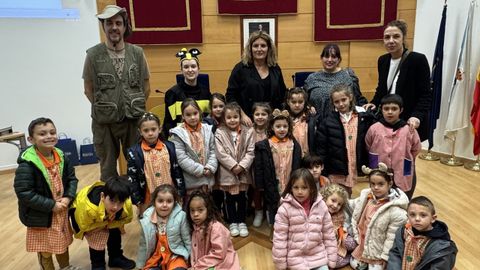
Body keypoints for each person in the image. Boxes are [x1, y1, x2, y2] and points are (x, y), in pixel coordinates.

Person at [83, 5, 151, 181]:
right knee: (107, 168)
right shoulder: (93, 55)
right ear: (103, 26)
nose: (114, 27)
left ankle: (139, 204)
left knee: (137, 165)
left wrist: (131, 104)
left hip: (133, 119)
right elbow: (88, 89)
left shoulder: (137, 53)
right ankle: (111, 206)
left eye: (118, 23)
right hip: (104, 123)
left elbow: (146, 87)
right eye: (109, 23)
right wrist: (106, 106)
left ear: (124, 26)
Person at [13, 117, 80, 270]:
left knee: (62, 243)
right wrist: (51, 205)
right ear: (31, 139)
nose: (49, 136)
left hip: (61, 211)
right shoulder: (27, 164)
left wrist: (68, 197)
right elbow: (24, 192)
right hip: (41, 216)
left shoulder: (61, 156)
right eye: (42, 134)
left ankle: (65, 267)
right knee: (46, 250)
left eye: (52, 132)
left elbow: (71, 179)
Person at [364, 20, 432, 141]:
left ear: (403, 38)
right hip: (388, 118)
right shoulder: (383, 60)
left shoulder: (418, 59)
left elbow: (425, 94)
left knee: (405, 158)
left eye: (396, 36)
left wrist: (417, 116)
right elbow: (382, 88)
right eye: (387, 37)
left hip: (408, 119)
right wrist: (374, 102)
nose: (391, 41)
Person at [314, 84, 374, 196]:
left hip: (352, 165)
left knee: (347, 193)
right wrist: (323, 170)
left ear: (350, 97)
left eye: (344, 100)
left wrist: (371, 109)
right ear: (333, 103)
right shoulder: (327, 121)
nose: (341, 104)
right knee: (335, 195)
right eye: (337, 102)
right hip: (335, 168)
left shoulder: (362, 117)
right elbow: (321, 149)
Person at [272, 168, 337, 270]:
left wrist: (332, 259)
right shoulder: (284, 209)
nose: (300, 192)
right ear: (291, 188)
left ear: (311, 188)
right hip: (295, 258)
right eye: (296, 187)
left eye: (304, 187)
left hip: (317, 255)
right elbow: (280, 238)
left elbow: (329, 234)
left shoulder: (321, 206)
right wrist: (281, 264)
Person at [350, 163, 408, 270]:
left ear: (389, 184)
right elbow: (354, 205)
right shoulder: (367, 197)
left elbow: (391, 237)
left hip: (378, 248)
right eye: (372, 184)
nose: (376, 187)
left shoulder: (396, 210)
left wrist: (385, 257)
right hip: (363, 243)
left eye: (381, 184)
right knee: (354, 265)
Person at [70, 177, 135, 270]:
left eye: (120, 202)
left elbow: (127, 219)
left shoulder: (125, 202)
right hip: (84, 217)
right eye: (112, 201)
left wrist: (107, 223)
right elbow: (83, 226)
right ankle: (98, 265)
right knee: (96, 239)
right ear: (102, 196)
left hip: (104, 218)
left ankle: (115, 257)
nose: (115, 207)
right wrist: (105, 223)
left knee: (115, 231)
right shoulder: (89, 208)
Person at [126, 112, 185, 215]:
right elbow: (132, 177)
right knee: (150, 222)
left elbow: (176, 170)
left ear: (160, 129)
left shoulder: (170, 147)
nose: (150, 133)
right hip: (147, 198)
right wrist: (137, 199)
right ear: (140, 132)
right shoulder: (134, 152)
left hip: (170, 193)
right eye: (146, 130)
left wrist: (180, 191)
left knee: (172, 219)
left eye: (153, 129)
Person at [365, 94, 422, 199]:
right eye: (386, 109)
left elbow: (416, 148)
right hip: (380, 170)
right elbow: (368, 145)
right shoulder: (374, 129)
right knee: (380, 199)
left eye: (394, 109)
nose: (390, 112)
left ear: (401, 110)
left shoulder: (409, 130)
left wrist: (404, 158)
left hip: (403, 169)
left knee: (403, 198)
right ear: (381, 110)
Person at [226, 31, 287, 126]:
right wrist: (242, 115)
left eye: (263, 46)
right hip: (247, 122)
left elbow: (283, 94)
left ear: (269, 48)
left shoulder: (275, 68)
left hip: (271, 122)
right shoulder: (240, 68)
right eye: (255, 46)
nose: (259, 49)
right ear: (250, 48)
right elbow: (231, 96)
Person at [254, 109, 302, 229]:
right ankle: (274, 227)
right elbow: (258, 167)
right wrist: (260, 185)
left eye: (285, 126)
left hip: (289, 180)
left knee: (290, 202)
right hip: (272, 181)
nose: (282, 129)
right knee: (272, 204)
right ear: (272, 127)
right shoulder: (264, 145)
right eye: (278, 126)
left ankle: (289, 226)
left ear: (289, 127)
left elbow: (298, 163)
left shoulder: (294, 144)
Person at [215, 102, 255, 238]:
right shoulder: (220, 132)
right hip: (228, 172)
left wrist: (242, 166)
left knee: (242, 197)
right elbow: (220, 153)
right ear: (224, 119)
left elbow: (250, 151)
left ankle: (241, 221)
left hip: (243, 172)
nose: (232, 120)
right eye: (229, 117)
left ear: (240, 117)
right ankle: (232, 221)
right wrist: (233, 166)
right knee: (229, 198)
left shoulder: (248, 131)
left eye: (235, 117)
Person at [387, 196, 457, 270]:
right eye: (412, 215)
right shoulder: (403, 232)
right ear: (407, 216)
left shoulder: (443, 246)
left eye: (423, 215)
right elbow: (396, 253)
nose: (417, 219)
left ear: (433, 218)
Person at [304, 43, 367, 123]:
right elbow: (304, 101)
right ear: (321, 58)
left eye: (334, 57)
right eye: (326, 56)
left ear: (339, 59)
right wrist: (308, 107)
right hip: (317, 123)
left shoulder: (349, 77)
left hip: (342, 124)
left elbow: (357, 99)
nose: (330, 60)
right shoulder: (312, 78)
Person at [136, 184, 191, 270]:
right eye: (160, 201)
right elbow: (143, 245)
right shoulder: (147, 220)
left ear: (174, 202)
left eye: (169, 201)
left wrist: (191, 260)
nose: (164, 205)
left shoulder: (181, 216)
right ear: (154, 202)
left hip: (175, 256)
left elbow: (187, 239)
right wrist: (140, 265)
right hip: (156, 257)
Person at [170, 98, 218, 195]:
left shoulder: (207, 129)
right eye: (188, 115)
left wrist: (210, 167)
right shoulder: (178, 133)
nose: (192, 117)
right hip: (191, 181)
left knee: (207, 207)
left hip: (208, 178)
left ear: (199, 113)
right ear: (183, 116)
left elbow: (214, 150)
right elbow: (181, 158)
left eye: (195, 113)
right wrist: (201, 170)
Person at [187, 190, 240, 270]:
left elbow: (219, 253)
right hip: (204, 263)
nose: (195, 214)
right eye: (192, 210)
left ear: (208, 210)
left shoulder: (216, 227)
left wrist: (197, 267)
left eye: (200, 210)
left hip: (220, 263)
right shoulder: (193, 226)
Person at [163, 48, 212, 135]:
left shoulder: (206, 92)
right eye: (186, 67)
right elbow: (168, 123)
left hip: (203, 137)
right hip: (181, 138)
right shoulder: (172, 93)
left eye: (193, 66)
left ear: (198, 69)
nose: (190, 70)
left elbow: (209, 119)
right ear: (181, 70)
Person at [320, 184, 356, 268]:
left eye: (339, 204)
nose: (335, 206)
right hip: (324, 244)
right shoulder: (318, 212)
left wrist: (344, 232)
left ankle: (353, 253)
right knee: (334, 263)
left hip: (339, 238)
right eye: (333, 200)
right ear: (325, 197)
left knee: (351, 243)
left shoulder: (340, 214)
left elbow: (347, 226)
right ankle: (350, 257)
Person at [250, 102, 272, 227]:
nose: (260, 117)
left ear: (268, 116)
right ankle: (258, 211)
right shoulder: (249, 131)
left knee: (269, 189)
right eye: (257, 114)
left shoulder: (272, 130)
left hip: (268, 166)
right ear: (252, 116)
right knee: (256, 189)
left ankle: (269, 211)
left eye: (263, 114)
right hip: (254, 166)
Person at [285, 87, 317, 157]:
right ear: (288, 102)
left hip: (307, 159)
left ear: (305, 102)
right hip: (289, 158)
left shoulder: (311, 119)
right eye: (293, 102)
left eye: (300, 102)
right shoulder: (284, 119)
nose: (297, 105)